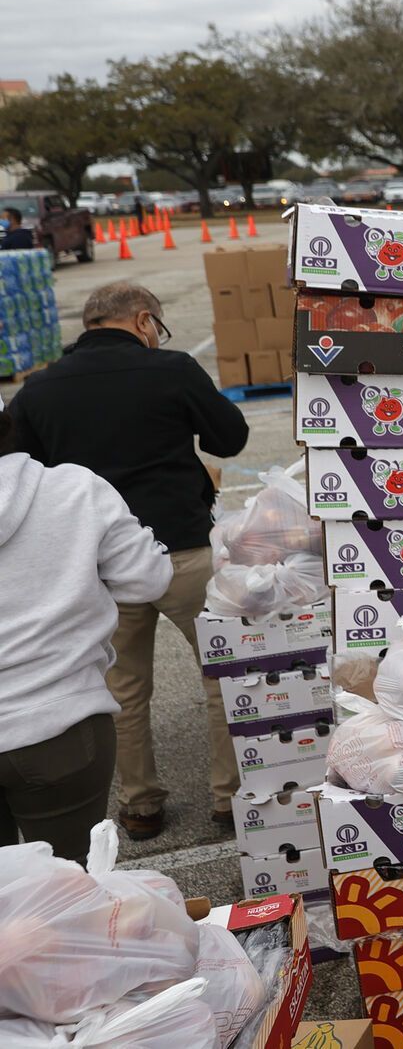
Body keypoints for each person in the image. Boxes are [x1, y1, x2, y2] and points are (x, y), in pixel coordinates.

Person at [6, 281, 250, 839]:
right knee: (221, 676)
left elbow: (23, 471)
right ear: (143, 321)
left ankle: (140, 804)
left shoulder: (40, 389)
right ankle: (230, 799)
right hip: (185, 547)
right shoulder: (171, 369)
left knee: (120, 689)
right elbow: (230, 437)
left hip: (96, 564)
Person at [0, 399, 173, 861]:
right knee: (72, 894)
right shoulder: (74, 488)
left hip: (58, 719)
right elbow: (146, 578)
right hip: (63, 723)